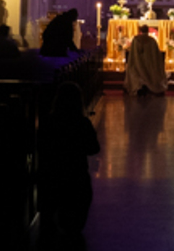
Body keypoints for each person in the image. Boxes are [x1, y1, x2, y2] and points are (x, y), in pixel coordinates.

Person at [38, 82, 100, 242]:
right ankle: (72, 223)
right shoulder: (82, 123)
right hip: (76, 177)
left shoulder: (48, 123)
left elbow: (39, 146)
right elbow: (94, 148)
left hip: (52, 177)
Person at [123, 24, 168, 96]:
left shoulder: (136, 40)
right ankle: (149, 86)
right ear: (148, 31)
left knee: (134, 70)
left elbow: (133, 54)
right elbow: (156, 55)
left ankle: (139, 86)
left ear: (140, 30)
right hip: (149, 65)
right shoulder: (152, 41)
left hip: (137, 65)